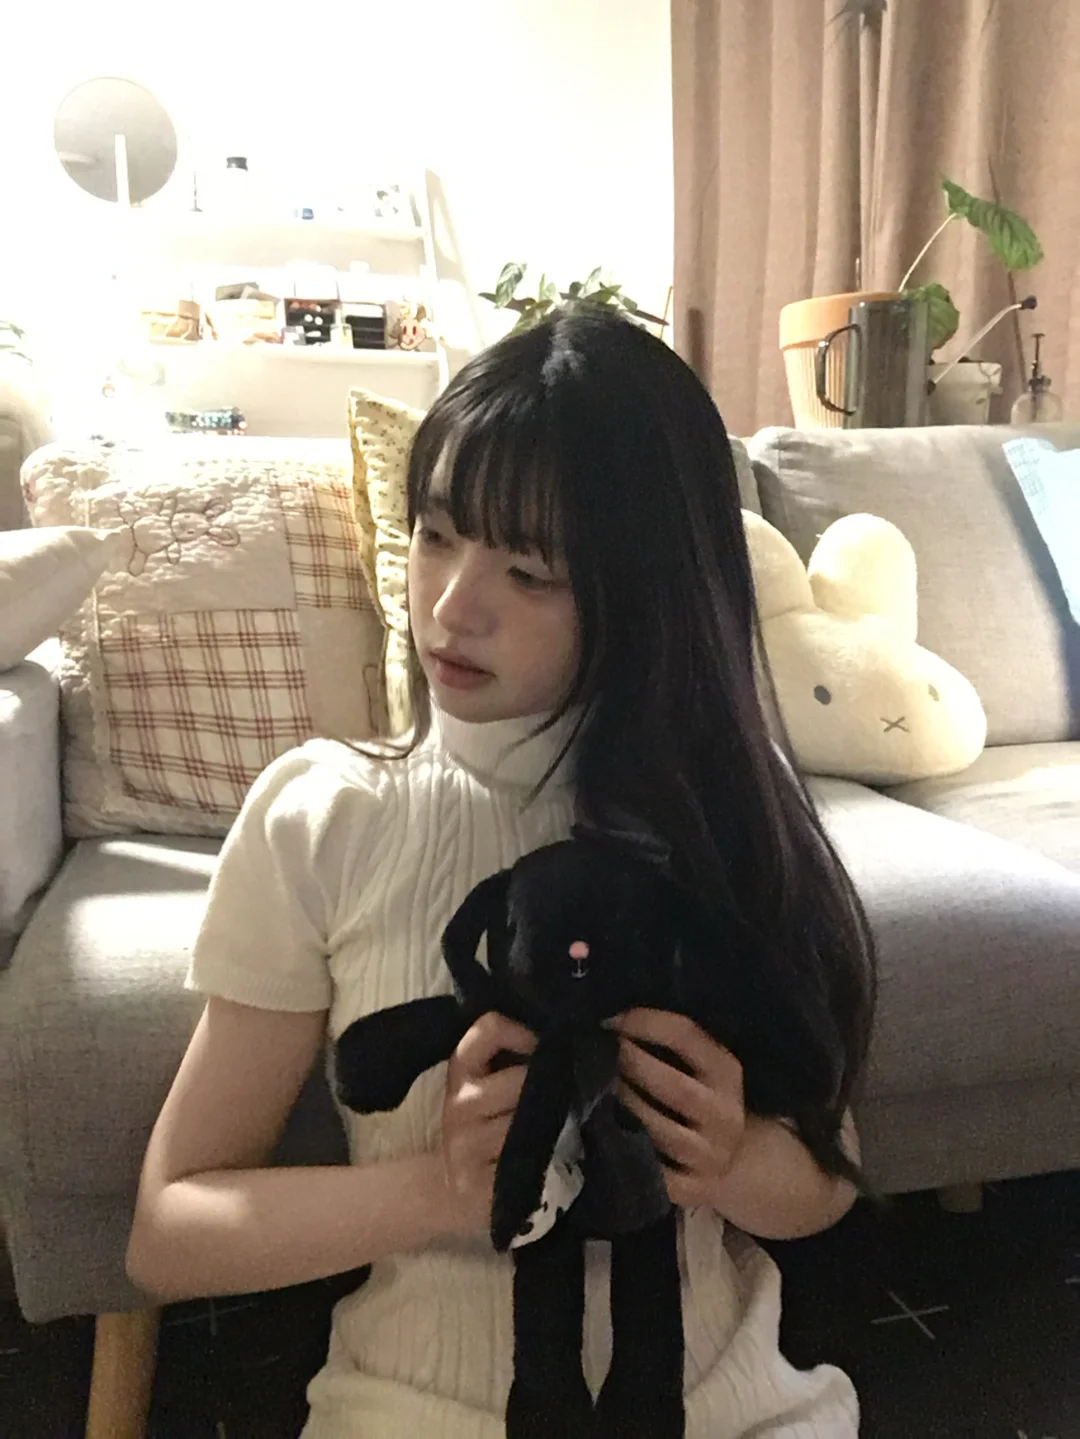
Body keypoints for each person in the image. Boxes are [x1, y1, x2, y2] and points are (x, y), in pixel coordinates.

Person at [127, 307, 876, 1437]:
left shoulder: (720, 811)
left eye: (529, 571)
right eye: (435, 535)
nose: (451, 604)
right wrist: (438, 1187)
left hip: (730, 1409)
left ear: (650, 594)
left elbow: (829, 1180)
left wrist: (730, 1160)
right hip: (415, 1409)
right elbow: (169, 1234)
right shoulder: (322, 816)